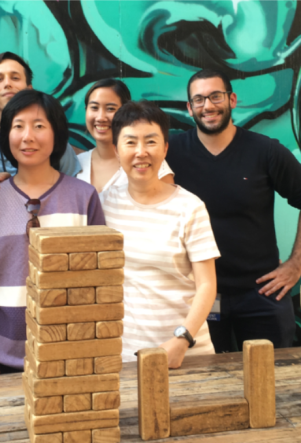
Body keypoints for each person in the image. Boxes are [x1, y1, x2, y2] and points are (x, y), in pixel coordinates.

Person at [0, 90, 105, 376]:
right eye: (18, 126)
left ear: (56, 134)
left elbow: (98, 280)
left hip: (68, 355)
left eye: (39, 126)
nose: (27, 136)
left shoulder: (84, 197)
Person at [166, 68, 301, 352]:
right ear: (189, 108)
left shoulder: (265, 151)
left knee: (276, 382)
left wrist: (296, 264)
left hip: (261, 292)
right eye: (199, 99)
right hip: (199, 294)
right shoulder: (172, 152)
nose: (208, 106)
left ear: (232, 100)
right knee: (205, 384)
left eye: (216, 96)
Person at [103, 100, 220, 368]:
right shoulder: (102, 204)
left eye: (151, 141)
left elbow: (207, 285)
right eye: (130, 142)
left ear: (165, 147)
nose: (141, 152)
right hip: (127, 355)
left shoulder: (190, 208)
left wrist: (182, 339)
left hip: (188, 353)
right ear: (116, 150)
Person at [0, 51, 81, 185]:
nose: (7, 84)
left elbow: (72, 193)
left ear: (29, 89)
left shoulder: (53, 142)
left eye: (15, 78)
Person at [76, 79, 174, 203]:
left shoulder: (150, 163)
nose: (100, 117)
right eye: (94, 108)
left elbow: (169, 212)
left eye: (110, 109)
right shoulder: (76, 164)